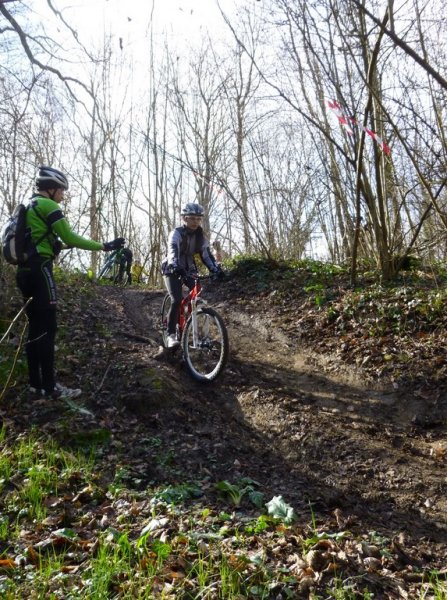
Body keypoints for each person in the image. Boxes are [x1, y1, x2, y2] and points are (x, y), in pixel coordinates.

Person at [16, 165, 125, 401]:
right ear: (52, 189)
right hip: (42, 271)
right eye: (62, 191)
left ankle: (36, 386)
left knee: (35, 328)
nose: (63, 196)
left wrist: (57, 245)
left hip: (24, 272)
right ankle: (51, 387)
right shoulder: (49, 205)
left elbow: (49, 241)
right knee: (48, 327)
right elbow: (70, 237)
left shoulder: (29, 205)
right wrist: (104, 246)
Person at [161, 202, 223, 348]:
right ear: (184, 219)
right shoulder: (176, 233)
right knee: (176, 299)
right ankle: (170, 335)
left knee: (198, 295)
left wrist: (215, 270)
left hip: (189, 268)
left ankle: (190, 320)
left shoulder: (200, 235)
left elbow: (206, 255)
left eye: (198, 219)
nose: (195, 222)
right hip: (171, 268)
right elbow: (172, 251)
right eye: (192, 218)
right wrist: (175, 266)